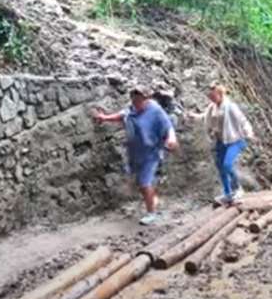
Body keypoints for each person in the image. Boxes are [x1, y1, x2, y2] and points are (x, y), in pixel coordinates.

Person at [92, 85, 178, 225]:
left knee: (144, 183)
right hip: (135, 153)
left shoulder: (155, 110)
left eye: (139, 99)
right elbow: (122, 115)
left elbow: (168, 127)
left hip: (151, 153)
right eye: (134, 99)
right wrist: (105, 118)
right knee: (141, 182)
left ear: (146, 99)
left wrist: (171, 139)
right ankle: (153, 199)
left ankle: (152, 214)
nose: (136, 102)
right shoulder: (132, 108)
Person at [186, 82, 254, 206]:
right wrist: (194, 116)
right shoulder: (212, 107)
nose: (211, 98)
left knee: (227, 165)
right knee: (220, 167)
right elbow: (205, 116)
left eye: (213, 96)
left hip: (235, 140)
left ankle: (237, 188)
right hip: (221, 141)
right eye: (210, 96)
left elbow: (242, 120)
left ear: (220, 94)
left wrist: (248, 133)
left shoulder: (230, 106)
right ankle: (228, 193)